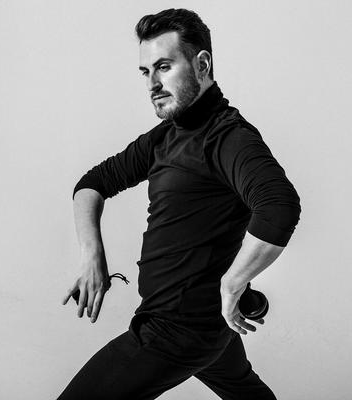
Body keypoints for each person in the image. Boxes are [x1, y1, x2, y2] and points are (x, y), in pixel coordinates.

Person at [59, 8, 301, 400]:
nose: (152, 83)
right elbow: (92, 184)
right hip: (202, 325)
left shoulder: (228, 138)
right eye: (145, 71)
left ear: (202, 64)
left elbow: (279, 206)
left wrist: (233, 283)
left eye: (164, 67)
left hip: (177, 330)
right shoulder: (166, 137)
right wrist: (92, 256)